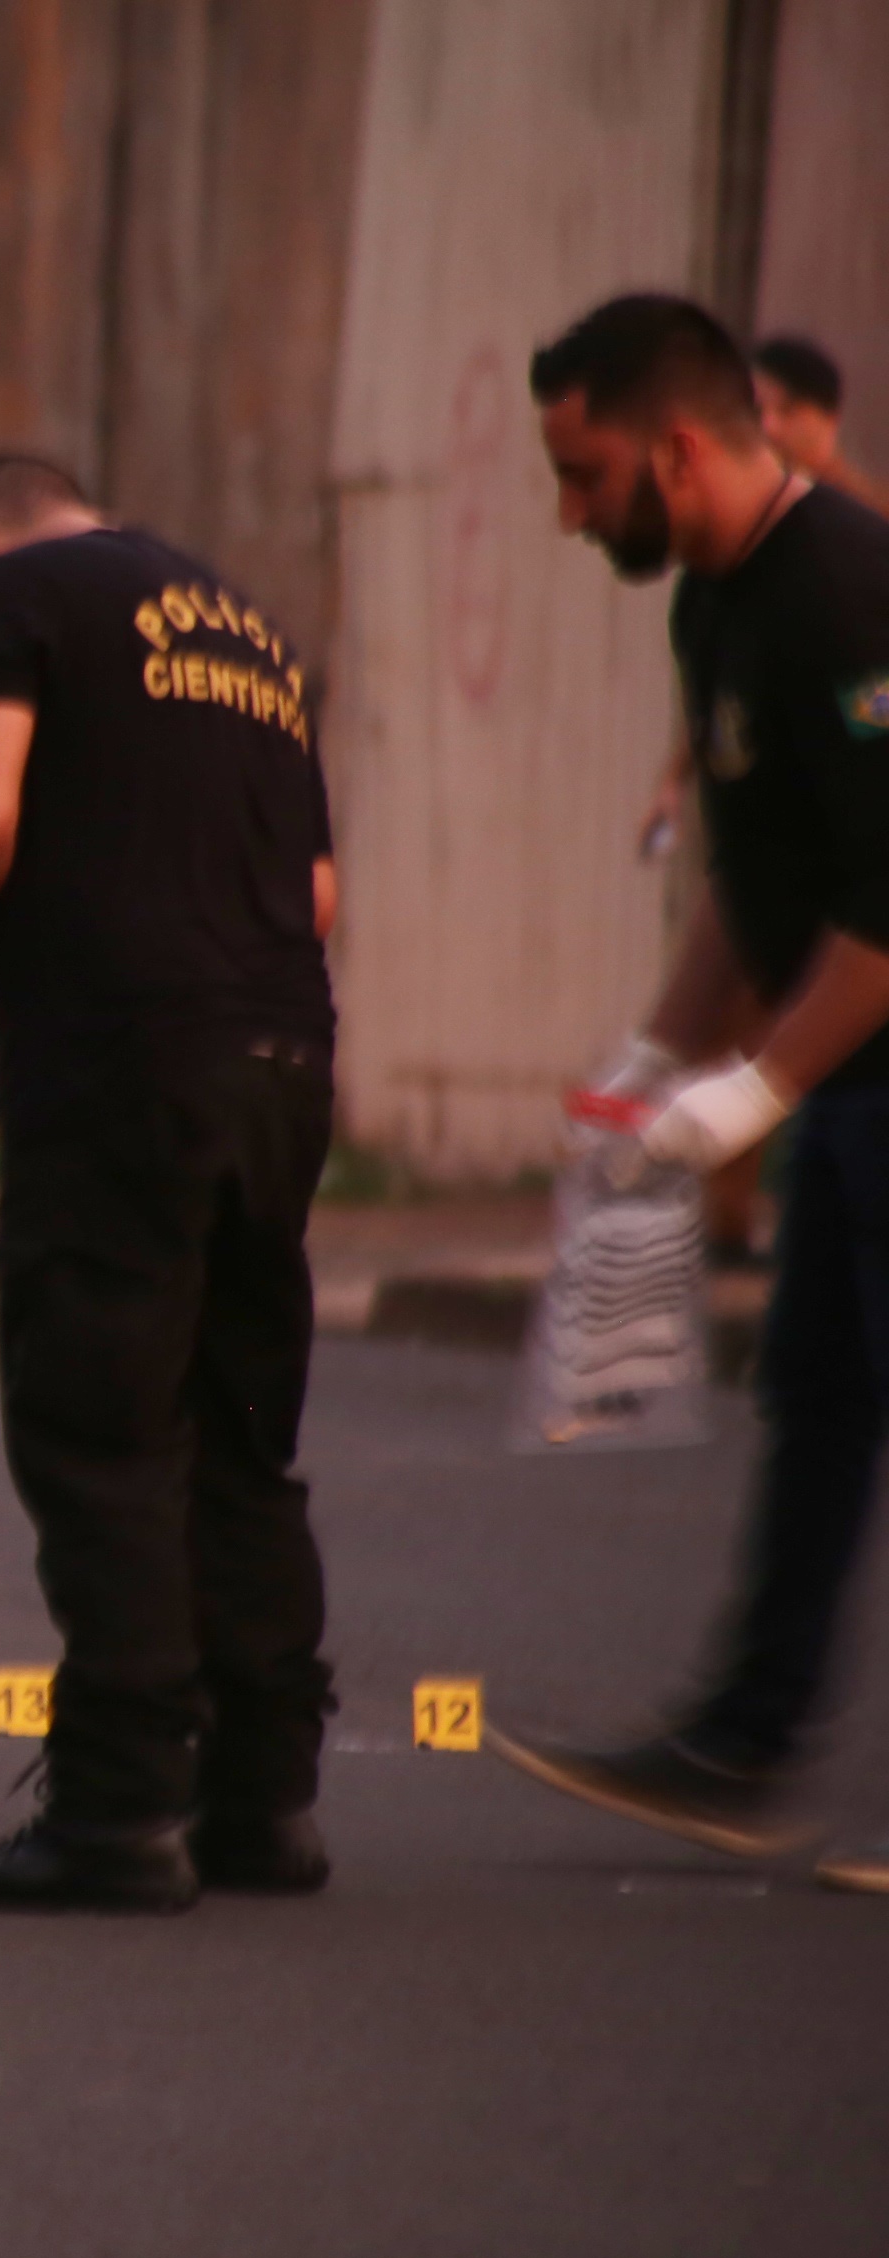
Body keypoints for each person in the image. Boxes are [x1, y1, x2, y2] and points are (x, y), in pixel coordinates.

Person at [0, 453, 341, 1914]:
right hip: (280, 1054)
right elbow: (319, 893)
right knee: (238, 1426)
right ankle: (263, 1800)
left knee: (102, 1425)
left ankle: (119, 1807)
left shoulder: (7, 597)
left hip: (122, 1059)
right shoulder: (243, 624)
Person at [493, 295, 889, 1898]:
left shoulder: (850, 594)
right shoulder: (713, 612)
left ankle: (752, 1729)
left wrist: (758, 1091)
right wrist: (655, 1063)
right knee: (818, 1399)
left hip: (870, 1047)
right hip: (856, 1079)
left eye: (586, 477)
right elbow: (755, 878)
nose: (571, 513)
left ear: (676, 445)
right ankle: (744, 1740)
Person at [754, 333, 884, 513]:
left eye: (787, 410)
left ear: (830, 417)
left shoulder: (872, 514)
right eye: (756, 410)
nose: (767, 427)